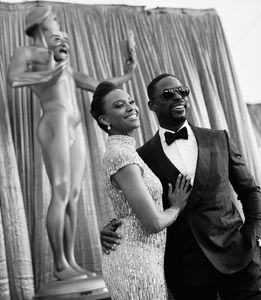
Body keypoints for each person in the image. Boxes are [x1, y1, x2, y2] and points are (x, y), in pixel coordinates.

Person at [100, 73, 261, 299]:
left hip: (237, 254)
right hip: (185, 268)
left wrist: (255, 234)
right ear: (152, 105)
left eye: (183, 91)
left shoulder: (219, 139)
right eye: (168, 94)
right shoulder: (141, 157)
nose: (178, 97)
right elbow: (138, 203)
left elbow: (249, 190)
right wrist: (112, 227)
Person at [7, 4, 136, 281]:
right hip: (54, 124)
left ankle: (70, 262)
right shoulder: (29, 53)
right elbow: (15, 78)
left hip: (74, 127)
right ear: (42, 21)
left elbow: (98, 84)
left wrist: (126, 74)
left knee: (73, 196)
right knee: (61, 192)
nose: (58, 24)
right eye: (54, 18)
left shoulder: (64, 62)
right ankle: (59, 265)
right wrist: (52, 72)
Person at [90, 81, 191, 299]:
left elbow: (129, 205)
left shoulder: (131, 152)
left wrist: (114, 223)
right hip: (136, 264)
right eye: (119, 105)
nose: (130, 108)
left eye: (131, 101)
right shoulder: (120, 154)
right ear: (105, 120)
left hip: (153, 258)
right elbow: (153, 222)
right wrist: (176, 207)